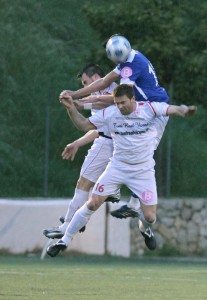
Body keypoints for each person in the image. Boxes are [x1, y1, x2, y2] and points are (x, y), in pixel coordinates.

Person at [46, 84, 197, 257]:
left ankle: (145, 229)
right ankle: (64, 240)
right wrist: (71, 108)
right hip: (117, 167)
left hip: (143, 171)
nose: (120, 106)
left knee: (149, 217)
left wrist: (185, 110)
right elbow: (83, 125)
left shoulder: (149, 109)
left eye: (123, 102)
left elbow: (172, 109)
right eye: (117, 103)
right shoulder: (111, 113)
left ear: (133, 99)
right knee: (93, 202)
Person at [59, 34, 170, 219]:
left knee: (144, 153)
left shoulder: (131, 66)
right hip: (144, 111)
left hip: (156, 111)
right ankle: (123, 197)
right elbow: (103, 82)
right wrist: (76, 94)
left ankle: (134, 204)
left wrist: (86, 100)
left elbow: (118, 96)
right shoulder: (131, 58)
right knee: (136, 152)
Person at [43, 63, 121, 239]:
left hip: (107, 145)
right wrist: (78, 143)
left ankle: (67, 225)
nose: (86, 87)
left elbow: (91, 120)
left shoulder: (114, 93)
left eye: (86, 83)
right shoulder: (105, 95)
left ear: (95, 78)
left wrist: (75, 103)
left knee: (83, 184)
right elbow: (97, 127)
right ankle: (77, 219)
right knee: (91, 188)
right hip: (114, 144)